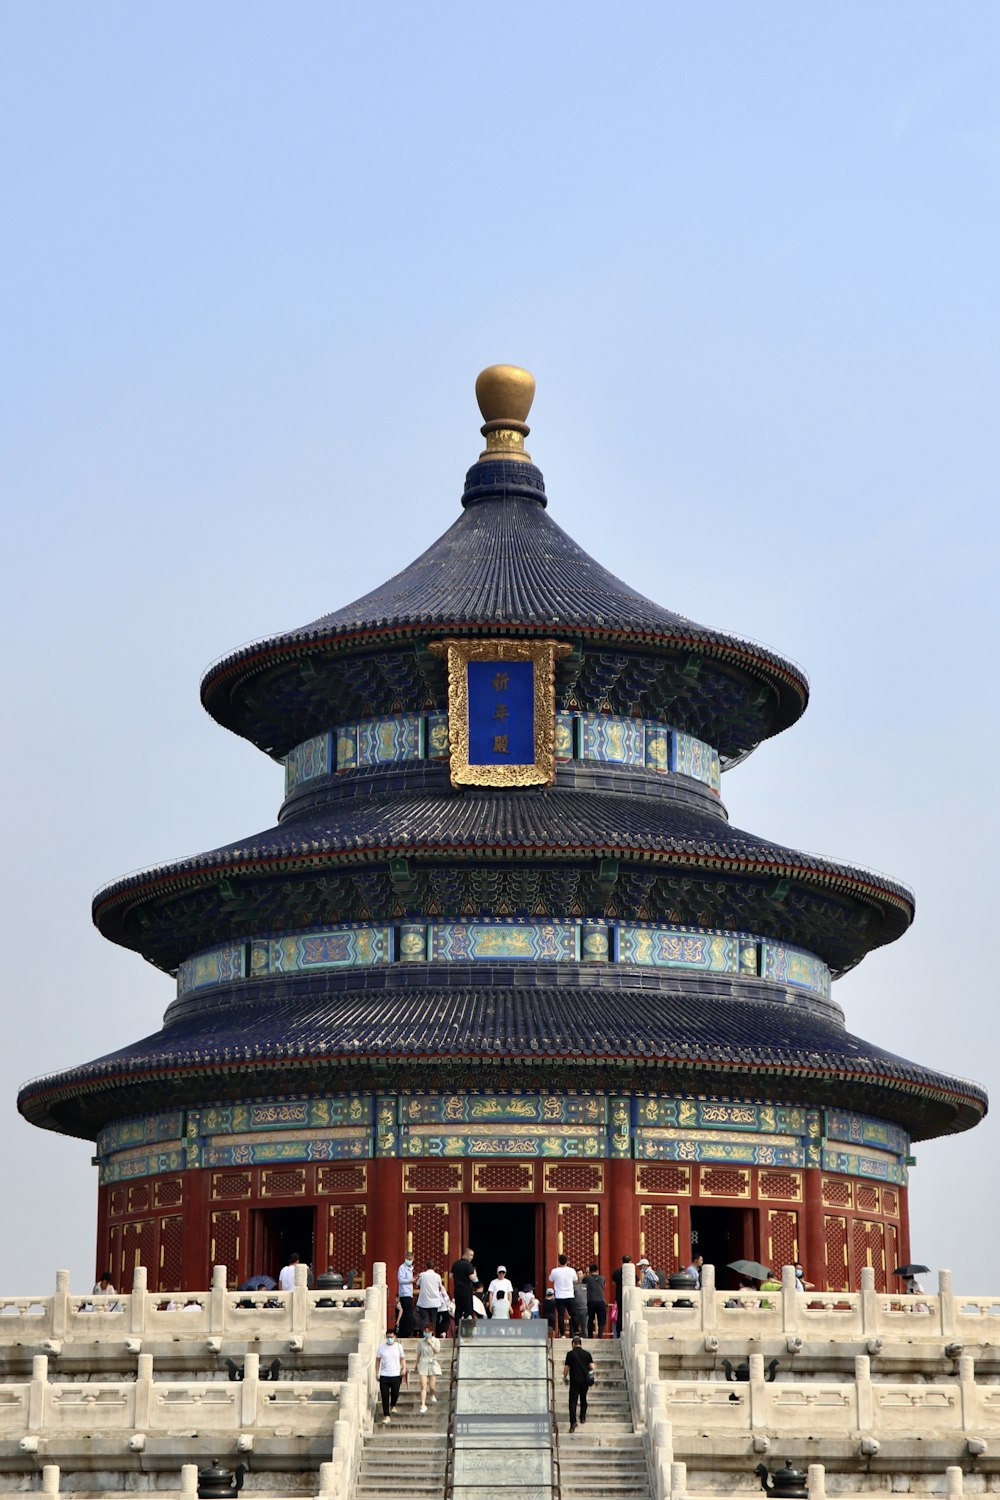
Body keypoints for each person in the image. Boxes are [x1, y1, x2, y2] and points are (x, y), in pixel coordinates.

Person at [374, 1328, 406, 1424]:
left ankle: (393, 1405)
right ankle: (386, 1415)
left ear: (395, 1337)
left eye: (391, 1337)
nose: (389, 1339)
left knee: (395, 1393)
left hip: (396, 1374)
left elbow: (402, 1358)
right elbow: (378, 1360)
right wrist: (377, 1372)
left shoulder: (399, 1347)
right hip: (384, 1374)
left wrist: (404, 1368)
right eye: (388, 1337)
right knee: (384, 1396)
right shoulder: (381, 1347)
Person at [563, 1335, 594, 1432]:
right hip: (584, 1381)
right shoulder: (587, 1354)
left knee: (573, 1402)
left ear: (573, 1344)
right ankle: (582, 1417)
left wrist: (564, 1377)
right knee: (583, 1399)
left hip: (574, 1381)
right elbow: (592, 1367)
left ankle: (573, 1422)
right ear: (580, 1343)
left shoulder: (570, 1354)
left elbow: (566, 1369)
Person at [549, 1253, 578, 1337]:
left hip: (559, 1296)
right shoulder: (571, 1270)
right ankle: (576, 1332)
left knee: (561, 1316)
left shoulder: (555, 1271)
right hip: (569, 1295)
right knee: (573, 1315)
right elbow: (575, 1280)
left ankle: (562, 1334)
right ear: (567, 1261)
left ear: (559, 1262)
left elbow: (550, 1279)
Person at [450, 1248, 481, 1324]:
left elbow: (451, 1276)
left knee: (458, 1309)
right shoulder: (468, 1265)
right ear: (466, 1254)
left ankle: (457, 1327)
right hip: (466, 1290)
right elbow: (472, 1278)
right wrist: (475, 1274)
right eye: (471, 1255)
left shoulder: (455, 1264)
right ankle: (467, 1328)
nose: (472, 1257)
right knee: (468, 1309)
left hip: (457, 1290)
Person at [415, 1327, 442, 1413]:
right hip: (423, 1362)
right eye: (425, 1332)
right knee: (423, 1385)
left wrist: (431, 1343)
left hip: (432, 1362)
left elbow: (437, 1351)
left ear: (432, 1332)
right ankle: (423, 1404)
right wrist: (416, 1364)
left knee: (432, 1386)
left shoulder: (436, 1340)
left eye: (428, 1332)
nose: (427, 1333)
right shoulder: (421, 1342)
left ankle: (432, 1394)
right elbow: (418, 1353)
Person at [415, 1261, 445, 1332]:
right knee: (433, 1320)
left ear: (426, 1267)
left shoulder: (422, 1275)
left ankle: (423, 1334)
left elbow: (417, 1284)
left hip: (423, 1301)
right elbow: (440, 1287)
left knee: (424, 1319)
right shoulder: (437, 1276)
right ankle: (432, 1334)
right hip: (434, 1302)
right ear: (435, 1268)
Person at [583, 1262, 607, 1338]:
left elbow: (583, 1280)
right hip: (601, 1301)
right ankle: (600, 1335)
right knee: (601, 1320)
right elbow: (604, 1284)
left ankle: (590, 1335)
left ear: (590, 1271)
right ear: (597, 1270)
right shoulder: (602, 1278)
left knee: (591, 1319)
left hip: (591, 1301)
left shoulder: (587, 1278)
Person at [611, 1254, 631, 1336]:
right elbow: (638, 1282)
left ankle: (619, 1332)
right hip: (628, 1296)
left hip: (619, 1296)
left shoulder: (616, 1272)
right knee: (628, 1313)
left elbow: (613, 1282)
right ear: (630, 1262)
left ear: (621, 1261)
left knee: (620, 1314)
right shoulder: (631, 1271)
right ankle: (627, 1331)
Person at [397, 1253, 415, 1336]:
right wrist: (410, 1280)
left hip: (409, 1293)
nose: (409, 1260)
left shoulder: (410, 1268)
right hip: (404, 1293)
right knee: (407, 1313)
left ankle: (407, 1331)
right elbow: (400, 1280)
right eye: (408, 1258)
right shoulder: (402, 1267)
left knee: (408, 1313)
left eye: (411, 1259)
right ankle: (404, 1331)